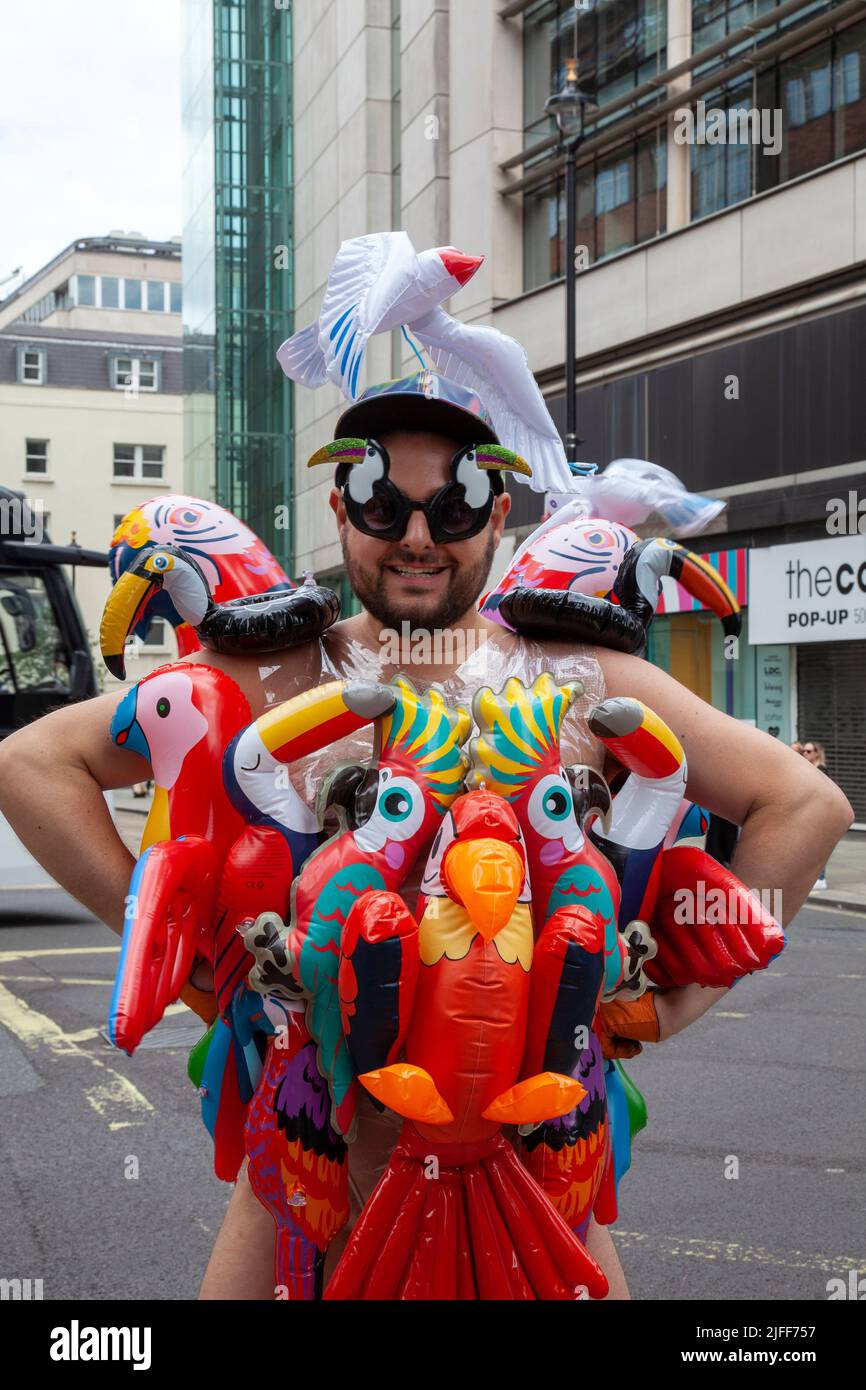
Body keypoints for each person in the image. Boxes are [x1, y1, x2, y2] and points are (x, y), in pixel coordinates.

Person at [0, 376, 854, 1302]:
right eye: (384, 507)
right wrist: (190, 962)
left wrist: (674, 1000)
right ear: (340, 512)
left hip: (529, 1164)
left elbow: (804, 806)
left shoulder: (575, 675)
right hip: (306, 1160)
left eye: (453, 510)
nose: (417, 538)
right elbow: (35, 765)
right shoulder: (272, 673)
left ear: (496, 521)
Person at [800, 741, 832, 888]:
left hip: (820, 814)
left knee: (818, 847)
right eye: (803, 751)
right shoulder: (810, 768)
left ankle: (821, 878)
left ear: (816, 753)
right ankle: (816, 878)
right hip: (811, 813)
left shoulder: (821, 769)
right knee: (810, 847)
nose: (804, 754)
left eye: (808, 751)